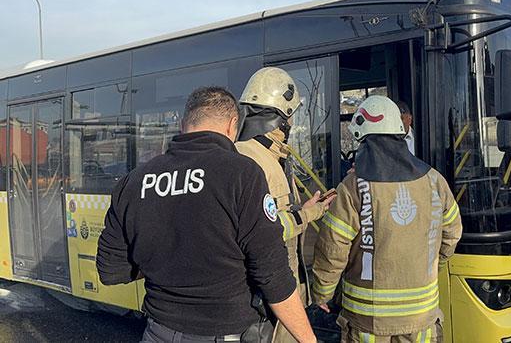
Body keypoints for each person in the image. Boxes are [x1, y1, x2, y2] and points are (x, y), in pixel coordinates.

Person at [96, 86, 316, 343]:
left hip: (157, 333)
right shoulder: (242, 174)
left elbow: (110, 271)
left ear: (182, 124)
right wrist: (308, 339)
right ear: (233, 125)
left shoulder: (133, 182)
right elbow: (272, 274)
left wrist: (170, 260)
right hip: (224, 333)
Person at [311, 96, 463, 342]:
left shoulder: (353, 187)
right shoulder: (435, 181)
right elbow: (452, 234)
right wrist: (428, 266)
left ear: (364, 140)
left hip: (367, 323)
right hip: (422, 321)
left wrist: (321, 295)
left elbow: (332, 250)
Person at [236, 67, 336, 343]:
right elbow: (262, 234)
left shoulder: (272, 157)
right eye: (290, 117)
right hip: (265, 304)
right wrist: (305, 215)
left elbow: (280, 219)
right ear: (282, 118)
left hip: (281, 296)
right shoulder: (251, 161)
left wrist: (310, 210)